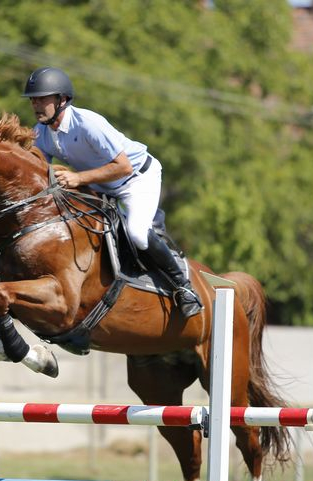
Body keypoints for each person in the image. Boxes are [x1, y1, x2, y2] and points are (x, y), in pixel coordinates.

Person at [21, 66, 203, 318]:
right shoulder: (42, 132)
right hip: (101, 184)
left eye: (42, 99)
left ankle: (184, 287)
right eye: (33, 100)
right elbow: (40, 170)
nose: (36, 105)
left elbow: (123, 166)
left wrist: (77, 177)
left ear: (62, 100)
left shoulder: (88, 124)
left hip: (136, 178)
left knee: (137, 234)